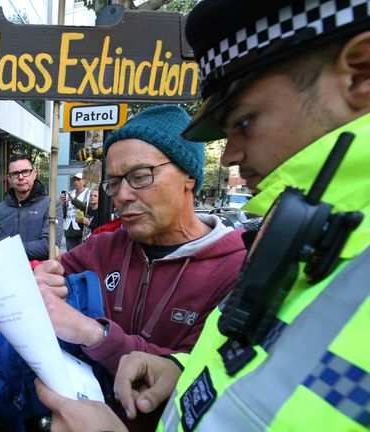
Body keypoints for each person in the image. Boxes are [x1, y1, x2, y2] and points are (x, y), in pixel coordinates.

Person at [40, 1, 370, 430]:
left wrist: (100, 337)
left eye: (245, 121)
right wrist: (178, 367)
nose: (230, 155)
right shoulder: (298, 247)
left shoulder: (245, 261)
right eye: (113, 182)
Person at [35, 105, 247, 431]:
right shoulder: (104, 246)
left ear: (189, 176)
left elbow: (205, 373)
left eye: (139, 176)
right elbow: (50, 272)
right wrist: (40, 276)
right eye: (115, 183)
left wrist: (96, 334)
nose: (122, 195)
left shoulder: (236, 270)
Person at [0, 154, 52, 261]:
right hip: (5, 271)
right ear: (9, 179)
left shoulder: (49, 205)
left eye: (25, 172)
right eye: (15, 174)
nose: (21, 177)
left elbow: (48, 246)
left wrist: (7, 251)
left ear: (34, 174)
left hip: (38, 272)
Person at [63, 173, 90, 251]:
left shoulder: (89, 193)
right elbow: (65, 213)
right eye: (74, 180)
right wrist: (62, 204)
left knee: (81, 253)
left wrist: (74, 200)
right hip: (69, 228)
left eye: (78, 179)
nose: (76, 182)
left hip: (81, 228)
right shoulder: (70, 193)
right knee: (70, 254)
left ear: (84, 181)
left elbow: (86, 209)